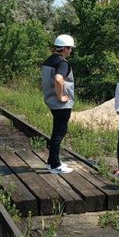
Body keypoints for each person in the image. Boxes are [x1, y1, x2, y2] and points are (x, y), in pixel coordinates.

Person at [40, 34, 75, 174]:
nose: (71, 51)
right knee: (59, 132)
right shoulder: (62, 63)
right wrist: (60, 97)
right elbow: (59, 79)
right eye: (70, 48)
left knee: (56, 131)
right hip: (61, 105)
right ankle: (55, 165)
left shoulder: (49, 60)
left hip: (50, 101)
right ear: (65, 48)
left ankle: (51, 161)